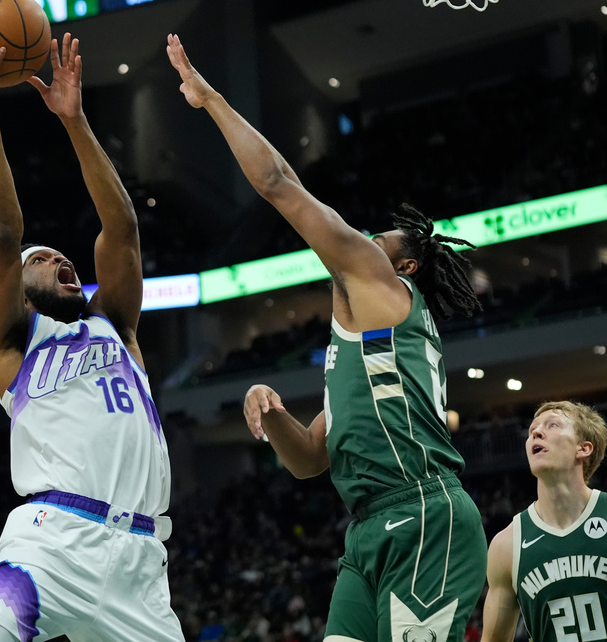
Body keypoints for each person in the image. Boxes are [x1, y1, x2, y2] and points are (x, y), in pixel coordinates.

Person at [165, 33, 486, 642]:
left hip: (423, 513)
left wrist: (209, 100)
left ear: (405, 267)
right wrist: (276, 412)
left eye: (384, 238)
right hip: (367, 527)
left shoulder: (384, 289)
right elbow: (310, 460)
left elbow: (278, 183)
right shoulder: (357, 344)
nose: (369, 236)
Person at [0, 30, 182, 642]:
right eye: (43, 259)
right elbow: (2, 234)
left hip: (141, 563)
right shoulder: (10, 345)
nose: (59, 260)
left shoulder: (116, 325)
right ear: (18, 291)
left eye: (61, 255)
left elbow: (122, 227)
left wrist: (75, 122)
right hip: (50, 542)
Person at [482, 401, 607, 642]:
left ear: (583, 448)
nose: (536, 433)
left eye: (553, 425)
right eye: (532, 431)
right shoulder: (506, 544)